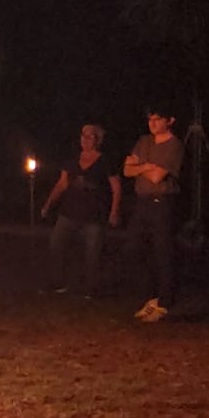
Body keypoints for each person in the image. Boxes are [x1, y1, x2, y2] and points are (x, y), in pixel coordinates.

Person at [39, 123, 123, 295]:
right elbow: (62, 184)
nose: (85, 140)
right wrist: (48, 204)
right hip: (69, 212)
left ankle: (92, 287)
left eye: (90, 136)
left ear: (97, 140)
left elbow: (116, 187)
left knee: (92, 253)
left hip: (93, 215)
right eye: (83, 136)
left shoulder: (105, 161)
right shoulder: (72, 159)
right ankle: (58, 282)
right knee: (56, 245)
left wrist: (114, 211)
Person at [123, 106, 185, 322]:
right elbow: (127, 170)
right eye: (150, 119)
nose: (153, 124)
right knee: (134, 246)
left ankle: (165, 302)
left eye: (158, 119)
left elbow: (159, 176)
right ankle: (151, 296)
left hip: (162, 202)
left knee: (162, 251)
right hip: (142, 201)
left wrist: (140, 165)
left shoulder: (174, 145)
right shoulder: (144, 141)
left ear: (170, 120)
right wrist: (145, 166)